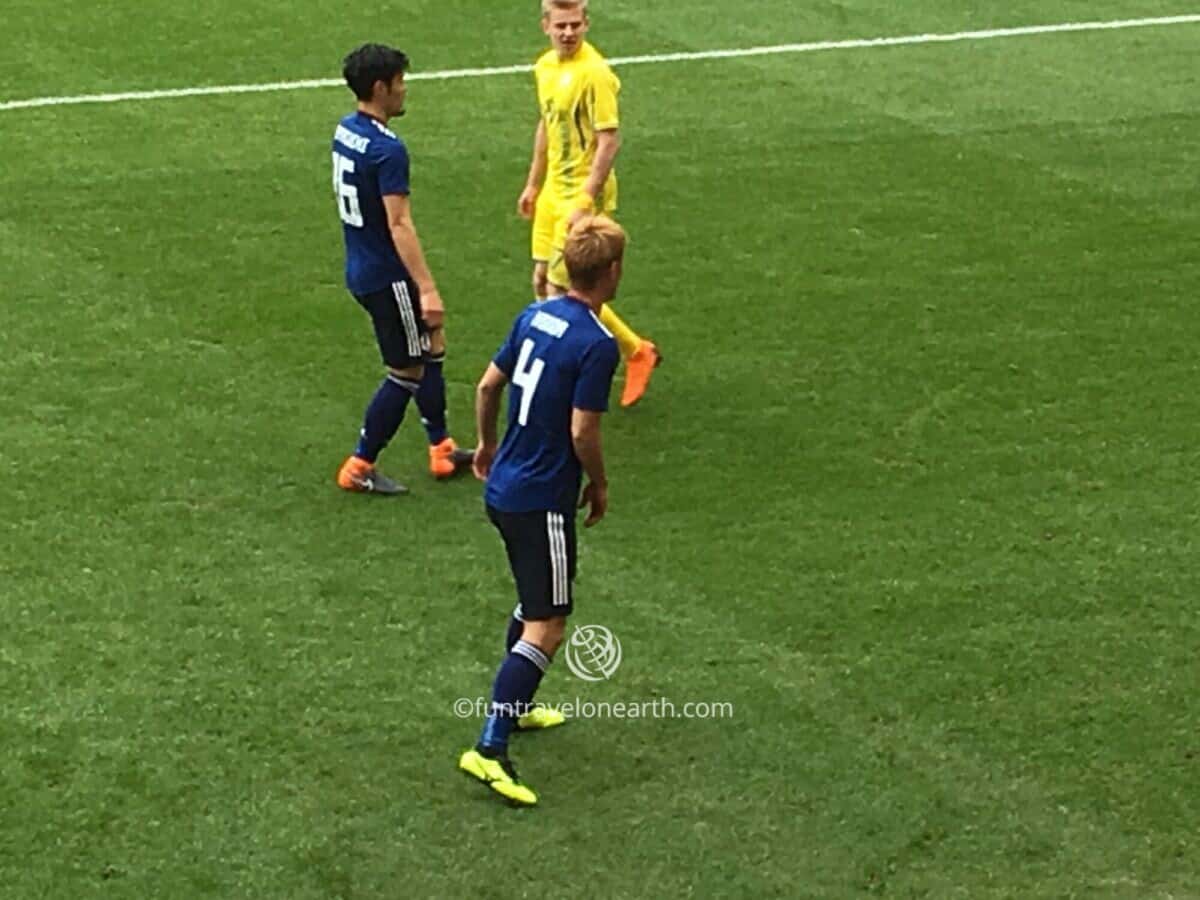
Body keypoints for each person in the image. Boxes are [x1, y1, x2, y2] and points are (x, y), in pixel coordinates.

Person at [458, 215, 626, 806]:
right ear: (611, 272)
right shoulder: (597, 344)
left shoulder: (534, 316)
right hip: (541, 499)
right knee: (549, 623)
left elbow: (486, 387)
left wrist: (485, 445)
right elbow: (584, 430)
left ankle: (519, 706)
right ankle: (489, 746)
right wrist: (599, 483)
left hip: (505, 486)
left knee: (535, 601)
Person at [331, 43, 472, 495]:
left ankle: (442, 448)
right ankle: (359, 465)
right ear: (380, 88)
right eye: (399, 83)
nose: (404, 90)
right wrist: (427, 288)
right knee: (407, 371)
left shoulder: (346, 131)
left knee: (432, 343)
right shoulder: (387, 151)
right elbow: (399, 223)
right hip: (387, 275)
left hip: (360, 263)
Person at [517, 0, 661, 408]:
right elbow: (547, 125)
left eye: (575, 25)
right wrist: (533, 183)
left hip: (582, 193)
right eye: (560, 25)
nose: (568, 33)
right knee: (542, 280)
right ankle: (628, 351)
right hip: (552, 193)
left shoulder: (595, 73)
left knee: (565, 287)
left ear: (586, 23)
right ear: (546, 25)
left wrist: (585, 198)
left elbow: (609, 139)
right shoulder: (545, 67)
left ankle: (626, 354)